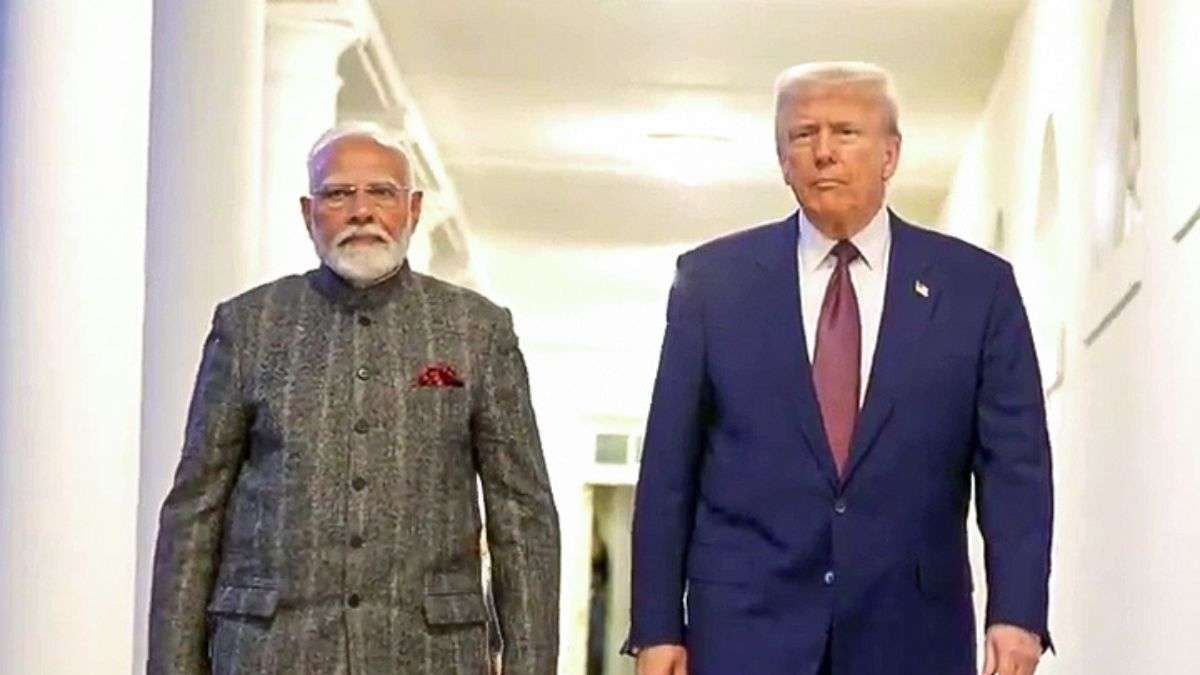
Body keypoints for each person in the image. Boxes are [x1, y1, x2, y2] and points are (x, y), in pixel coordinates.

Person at [627, 62, 1053, 675]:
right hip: (744, 629)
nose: (823, 152)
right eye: (803, 135)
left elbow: (1015, 466)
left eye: (846, 132)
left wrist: (1017, 613)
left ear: (890, 154)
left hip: (911, 630)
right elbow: (670, 467)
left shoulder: (976, 289)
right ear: (783, 159)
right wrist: (657, 627)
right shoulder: (712, 283)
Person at [147, 122, 560, 674]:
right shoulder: (249, 326)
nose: (361, 211)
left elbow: (523, 517)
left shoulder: (475, 331)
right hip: (269, 653)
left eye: (381, 192)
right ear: (308, 213)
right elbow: (195, 511)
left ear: (413, 209)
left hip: (430, 656)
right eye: (338, 193)